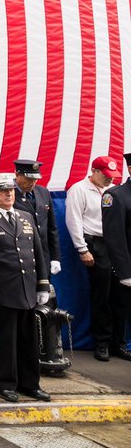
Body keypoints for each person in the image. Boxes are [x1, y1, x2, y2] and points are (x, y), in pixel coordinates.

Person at [0, 172, 51, 402]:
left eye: (10, 190)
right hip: (3, 293)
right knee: (4, 342)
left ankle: (30, 384)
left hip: (27, 291)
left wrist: (42, 285)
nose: (8, 194)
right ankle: (5, 383)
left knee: (29, 342)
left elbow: (38, 252)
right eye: (2, 190)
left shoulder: (26, 216)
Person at [66, 156, 120, 361]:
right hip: (95, 243)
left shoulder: (113, 190)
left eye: (112, 177)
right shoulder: (79, 189)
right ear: (94, 171)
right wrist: (82, 248)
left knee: (120, 293)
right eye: (106, 176)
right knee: (102, 295)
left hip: (116, 244)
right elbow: (74, 220)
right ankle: (102, 342)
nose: (109, 180)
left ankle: (119, 341)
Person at [100, 153, 131, 361]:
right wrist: (125, 272)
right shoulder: (116, 195)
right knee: (119, 308)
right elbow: (114, 237)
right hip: (128, 267)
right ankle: (114, 344)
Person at [13, 159, 62, 276]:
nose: (32, 183)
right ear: (17, 174)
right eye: (29, 179)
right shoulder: (8, 194)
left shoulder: (43, 192)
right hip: (22, 258)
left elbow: (51, 228)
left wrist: (55, 257)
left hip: (43, 257)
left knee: (45, 293)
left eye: (35, 179)